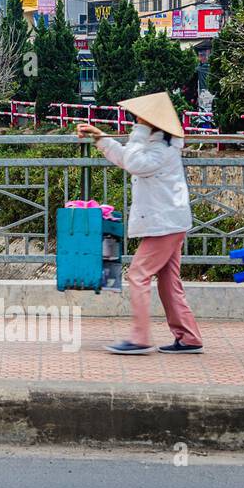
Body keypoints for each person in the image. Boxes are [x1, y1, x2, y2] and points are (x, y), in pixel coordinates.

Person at [75, 92, 203, 355]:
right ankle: (188, 337)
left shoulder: (162, 148)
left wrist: (140, 129)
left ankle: (140, 337)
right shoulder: (160, 144)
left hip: (164, 223)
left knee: (138, 274)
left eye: (140, 117)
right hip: (168, 221)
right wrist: (101, 138)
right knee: (169, 281)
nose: (136, 120)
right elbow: (128, 159)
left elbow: (134, 163)